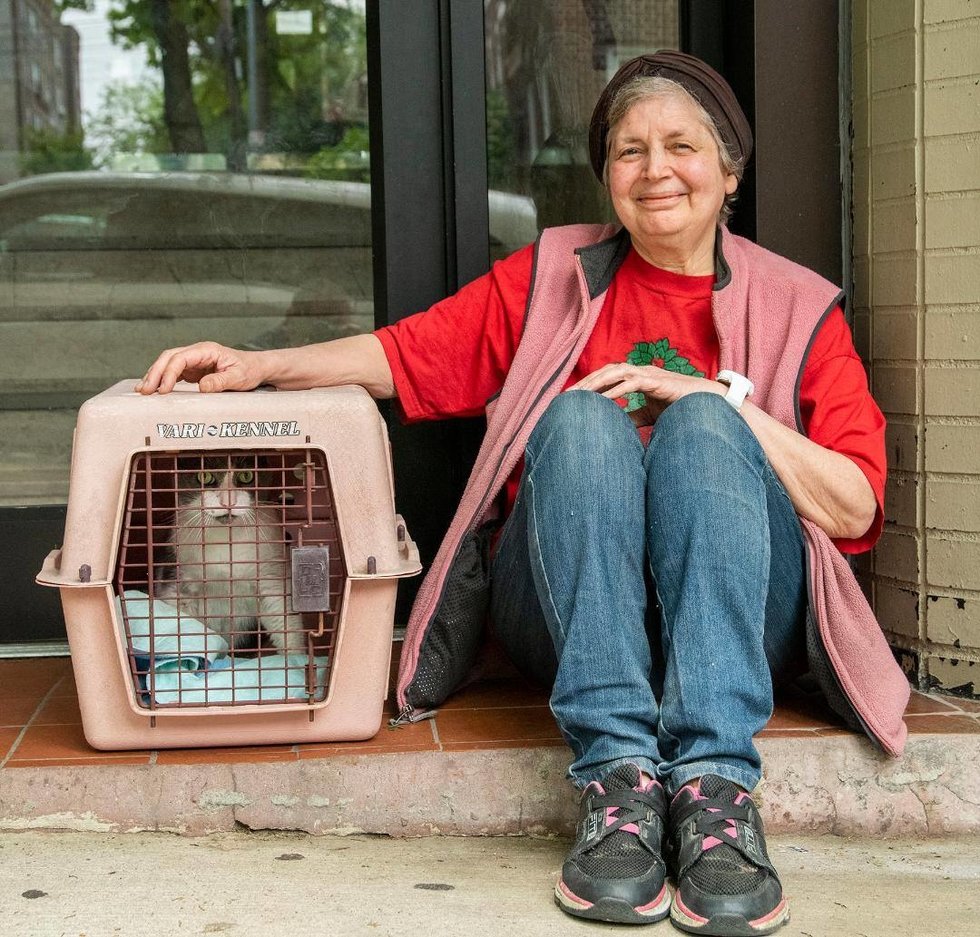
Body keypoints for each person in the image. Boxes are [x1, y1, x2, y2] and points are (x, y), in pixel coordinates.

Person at [138, 51, 910, 936]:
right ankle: (619, 781)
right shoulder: (556, 276)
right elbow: (407, 355)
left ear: (730, 170)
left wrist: (714, 399)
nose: (655, 170)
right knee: (582, 422)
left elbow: (853, 505)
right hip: (566, 612)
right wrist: (260, 365)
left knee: (703, 430)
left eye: (682, 147)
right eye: (629, 151)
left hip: (737, 619)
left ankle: (716, 789)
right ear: (606, 176)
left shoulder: (799, 305)